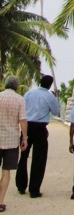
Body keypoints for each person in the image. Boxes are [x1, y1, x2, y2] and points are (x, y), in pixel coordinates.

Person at [15, 73, 60, 197]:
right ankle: (34, 189)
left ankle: (21, 185)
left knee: (23, 156)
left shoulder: (29, 93)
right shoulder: (49, 96)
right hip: (40, 127)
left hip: (27, 126)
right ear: (50, 85)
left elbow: (22, 109)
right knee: (39, 159)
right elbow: (56, 111)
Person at [0, 75, 28, 212]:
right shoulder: (20, 99)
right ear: (17, 86)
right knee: (6, 171)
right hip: (11, 140)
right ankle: (0, 201)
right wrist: (24, 138)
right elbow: (23, 120)